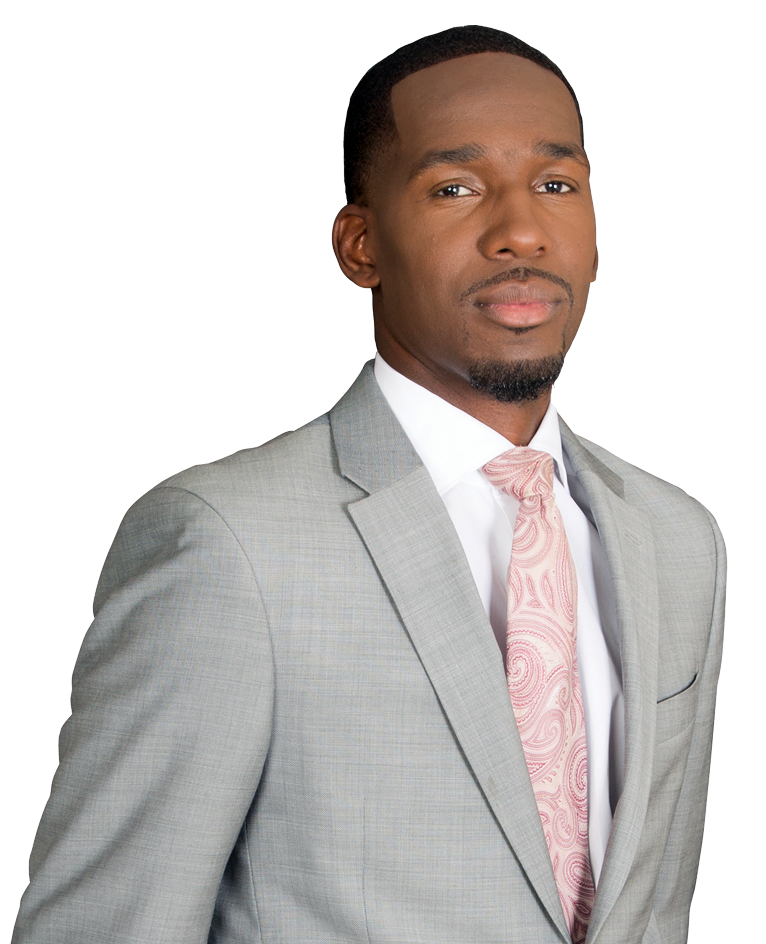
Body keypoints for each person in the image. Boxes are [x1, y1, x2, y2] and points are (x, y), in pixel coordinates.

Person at [12, 24, 725, 944]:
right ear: (360, 245)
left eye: (557, 184)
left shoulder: (678, 540)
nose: (520, 229)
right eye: (455, 188)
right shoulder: (228, 544)